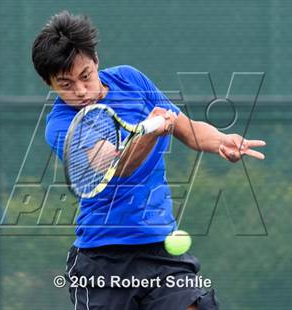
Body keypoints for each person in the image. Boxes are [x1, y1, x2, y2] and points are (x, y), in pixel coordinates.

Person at [32, 11, 266, 310]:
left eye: (85, 76)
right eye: (65, 84)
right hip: (103, 260)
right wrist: (150, 133)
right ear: (48, 83)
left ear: (96, 61)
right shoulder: (61, 125)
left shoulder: (130, 80)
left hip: (160, 251)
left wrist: (223, 140)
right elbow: (116, 168)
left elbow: (189, 130)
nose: (80, 91)